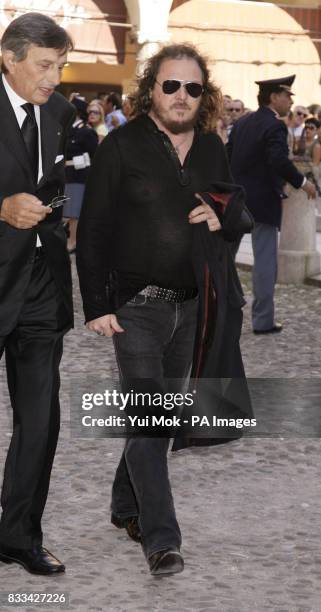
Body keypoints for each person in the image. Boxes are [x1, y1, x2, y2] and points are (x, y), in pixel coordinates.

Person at [77, 43, 252, 576]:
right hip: (136, 310)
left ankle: (125, 505)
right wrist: (96, 305)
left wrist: (225, 218)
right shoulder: (121, 147)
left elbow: (233, 205)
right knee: (152, 420)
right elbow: (94, 232)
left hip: (192, 308)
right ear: (151, 87)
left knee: (158, 420)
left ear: (205, 95)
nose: (181, 96)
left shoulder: (211, 148)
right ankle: (162, 539)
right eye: (171, 85)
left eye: (192, 88)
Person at [0, 12, 74, 574]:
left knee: (40, 421)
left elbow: (58, 189)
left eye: (61, 65)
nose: (54, 77)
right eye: (46, 65)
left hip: (43, 289)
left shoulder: (61, 113)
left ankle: (19, 536)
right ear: (10, 56)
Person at [227, 75, 316, 334]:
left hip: (236, 199)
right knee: (265, 262)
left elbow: (228, 156)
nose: (290, 101)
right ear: (274, 97)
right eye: (288, 95)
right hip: (262, 203)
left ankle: (219, 309)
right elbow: (278, 160)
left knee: (225, 259)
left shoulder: (243, 123)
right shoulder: (275, 126)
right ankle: (262, 320)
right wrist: (302, 182)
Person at [63, 96, 98, 253]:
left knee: (74, 211)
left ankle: (73, 241)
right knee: (68, 210)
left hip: (80, 174)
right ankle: (71, 238)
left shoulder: (86, 131)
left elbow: (94, 155)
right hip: (67, 174)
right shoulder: (70, 129)